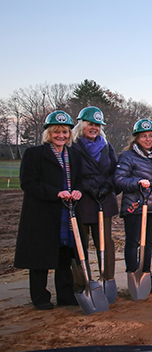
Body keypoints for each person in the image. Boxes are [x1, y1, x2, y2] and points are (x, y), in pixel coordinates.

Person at [14, 111, 81, 310]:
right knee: (39, 258)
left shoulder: (73, 156)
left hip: (65, 213)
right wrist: (55, 193)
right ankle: (40, 297)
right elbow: (28, 183)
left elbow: (79, 181)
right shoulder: (34, 154)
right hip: (41, 214)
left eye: (65, 132)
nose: (61, 136)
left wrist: (77, 191)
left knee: (64, 257)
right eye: (57, 132)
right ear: (49, 133)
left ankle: (65, 295)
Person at [70, 106, 118, 285]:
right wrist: (85, 186)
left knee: (105, 243)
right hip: (81, 200)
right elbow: (70, 173)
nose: (94, 128)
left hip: (103, 200)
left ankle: (108, 279)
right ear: (82, 125)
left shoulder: (106, 146)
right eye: (90, 124)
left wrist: (108, 185)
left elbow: (115, 170)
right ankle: (82, 283)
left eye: (97, 125)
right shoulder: (73, 146)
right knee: (80, 243)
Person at [115, 119, 152, 288]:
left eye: (151, 136)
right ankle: (134, 277)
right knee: (133, 242)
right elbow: (119, 179)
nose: (148, 139)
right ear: (136, 138)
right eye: (144, 136)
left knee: (148, 243)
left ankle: (146, 274)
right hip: (135, 206)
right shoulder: (127, 156)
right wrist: (137, 182)